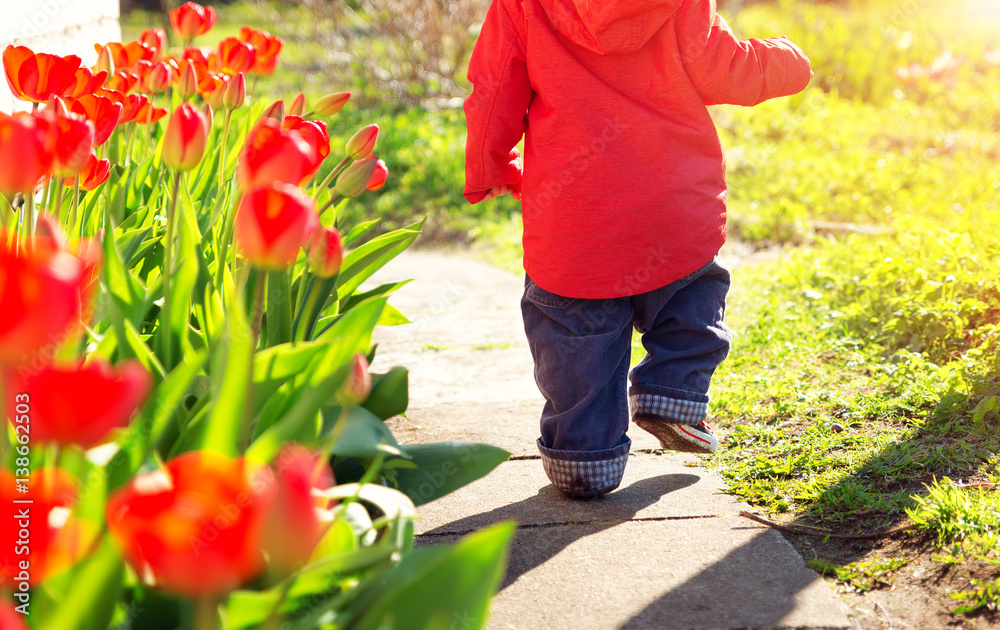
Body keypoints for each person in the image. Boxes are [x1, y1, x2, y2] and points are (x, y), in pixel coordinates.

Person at [463, 0, 812, 498]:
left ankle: (583, 459)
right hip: (671, 210)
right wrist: (789, 59)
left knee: (574, 344)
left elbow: (494, 93)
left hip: (574, 223)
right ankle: (672, 391)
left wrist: (488, 167)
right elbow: (724, 69)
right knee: (692, 299)